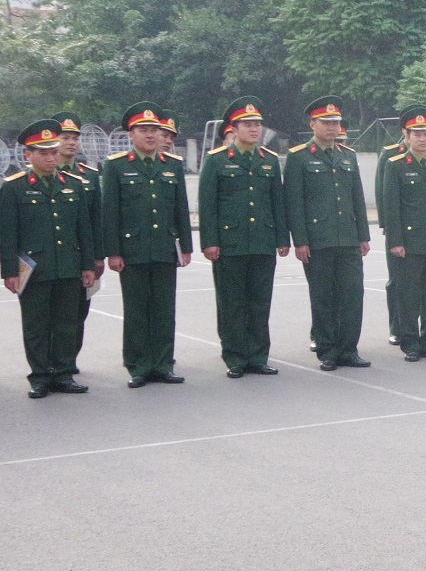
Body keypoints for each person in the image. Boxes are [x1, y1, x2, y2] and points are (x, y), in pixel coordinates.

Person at [1, 120, 98, 397]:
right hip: (34, 270)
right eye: (42, 152)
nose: (50, 157)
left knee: (67, 323)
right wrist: (9, 271)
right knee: (36, 325)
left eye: (53, 152)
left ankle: (64, 373)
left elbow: (84, 230)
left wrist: (88, 265)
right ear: (28, 155)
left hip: (68, 265)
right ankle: (40, 376)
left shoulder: (74, 185)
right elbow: (8, 234)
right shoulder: (14, 188)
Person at [100, 102, 192, 386]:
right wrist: (112, 252)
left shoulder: (172, 166)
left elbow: (180, 209)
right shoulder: (116, 166)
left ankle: (163, 364)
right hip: (133, 250)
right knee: (137, 310)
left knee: (165, 309)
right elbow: (110, 213)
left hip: (165, 248)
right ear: (131, 134)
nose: (150, 135)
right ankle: (139, 365)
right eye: (144, 130)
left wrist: (186, 246)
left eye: (154, 130)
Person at [197, 97, 288, 378]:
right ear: (233, 129)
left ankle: (258, 356)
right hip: (230, 243)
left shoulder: (269, 161)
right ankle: (235, 356)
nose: (253, 129)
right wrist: (209, 241)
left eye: (257, 124)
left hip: (262, 241)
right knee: (232, 302)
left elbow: (277, 202)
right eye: (247, 124)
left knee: (260, 301)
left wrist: (282, 239)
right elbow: (208, 204)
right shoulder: (217, 160)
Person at [285, 96, 372, 371]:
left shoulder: (348, 155)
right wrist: (300, 240)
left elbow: (357, 198)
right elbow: (294, 203)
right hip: (318, 239)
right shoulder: (298, 157)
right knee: (323, 296)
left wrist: (363, 235)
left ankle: (349, 349)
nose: (333, 128)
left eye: (336, 123)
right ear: (313, 124)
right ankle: (327, 350)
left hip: (347, 237)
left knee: (352, 294)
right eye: (327, 123)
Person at [376, 105, 426, 362]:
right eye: (417, 134)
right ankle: (409, 341)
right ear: (406, 136)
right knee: (408, 293)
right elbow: (391, 207)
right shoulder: (395, 165)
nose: (422, 138)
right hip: (409, 242)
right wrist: (395, 241)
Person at [53, 113, 102, 357]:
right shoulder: (40, 173)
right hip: (51, 257)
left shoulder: (89, 175)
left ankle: (69, 361)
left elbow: (96, 220)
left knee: (79, 310)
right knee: (50, 314)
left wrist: (97, 257)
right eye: (65, 137)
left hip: (81, 256)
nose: (71, 143)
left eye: (75, 138)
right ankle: (50, 363)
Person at [375, 127, 408, 345]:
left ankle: (419, 331)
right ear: (405, 131)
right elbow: (382, 192)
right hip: (399, 230)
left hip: (423, 231)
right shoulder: (390, 154)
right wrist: (389, 228)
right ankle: (397, 328)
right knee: (397, 282)